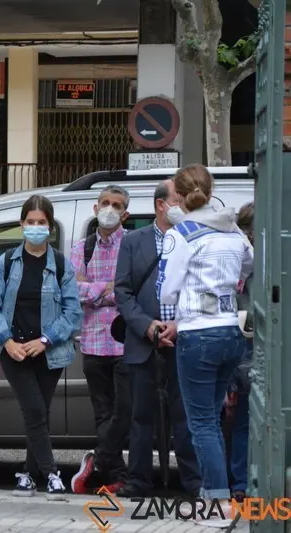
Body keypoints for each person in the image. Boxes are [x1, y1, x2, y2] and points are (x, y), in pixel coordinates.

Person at [157, 164, 253, 524]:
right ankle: (215, 495)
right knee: (212, 419)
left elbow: (166, 288)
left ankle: (215, 502)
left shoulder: (181, 233)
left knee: (201, 422)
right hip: (231, 330)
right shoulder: (232, 230)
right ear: (210, 191)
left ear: (179, 197)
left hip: (197, 332)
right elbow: (250, 265)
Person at [0, 195, 82, 498]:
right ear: (22, 224)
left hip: (48, 351)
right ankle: (52, 473)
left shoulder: (61, 264)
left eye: (42, 223)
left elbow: (73, 312)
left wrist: (45, 340)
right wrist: (7, 341)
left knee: (38, 413)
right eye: (30, 222)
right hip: (14, 350)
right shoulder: (7, 261)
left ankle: (28, 474)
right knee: (35, 410)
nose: (36, 227)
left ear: (50, 227)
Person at [113, 179, 200, 498]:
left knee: (187, 416)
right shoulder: (134, 242)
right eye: (179, 199)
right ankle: (139, 481)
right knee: (141, 417)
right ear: (160, 205)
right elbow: (122, 291)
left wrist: (179, 323)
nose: (185, 205)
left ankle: (194, 482)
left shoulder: (193, 237)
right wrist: (148, 326)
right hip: (143, 342)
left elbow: (199, 287)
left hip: (184, 339)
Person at [69, 185, 130, 494]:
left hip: (124, 342)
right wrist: (107, 289)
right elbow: (74, 290)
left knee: (124, 411)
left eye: (116, 204)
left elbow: (129, 291)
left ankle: (100, 460)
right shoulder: (82, 248)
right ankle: (115, 473)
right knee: (103, 411)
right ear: (95, 208)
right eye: (105, 203)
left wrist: (94, 288)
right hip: (92, 341)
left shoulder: (132, 245)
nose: (109, 208)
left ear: (125, 213)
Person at [227, 201, 255, 502]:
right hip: (243, 345)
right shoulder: (238, 260)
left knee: (244, 420)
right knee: (243, 419)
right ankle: (241, 483)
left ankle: (242, 483)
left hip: (249, 345)